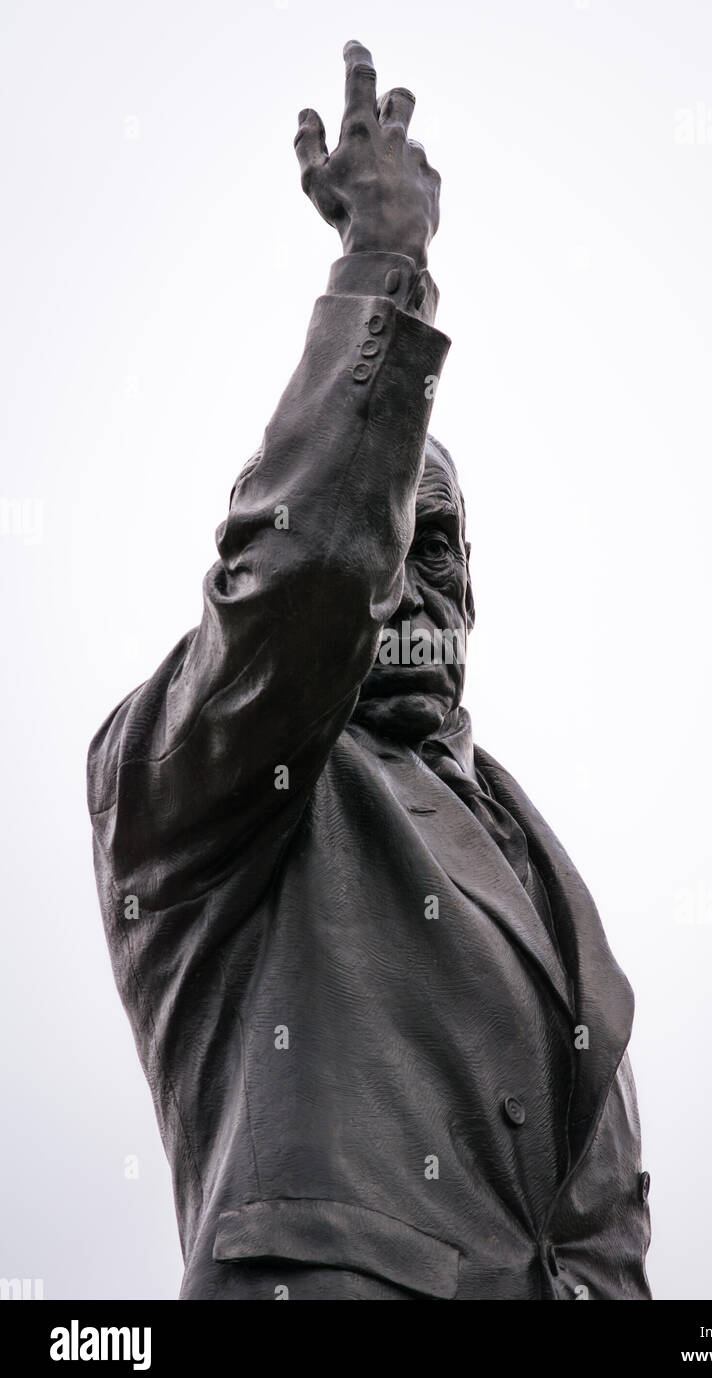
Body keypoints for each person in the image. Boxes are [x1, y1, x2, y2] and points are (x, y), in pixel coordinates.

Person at [87, 40, 652, 1300]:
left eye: (438, 542)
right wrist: (381, 269)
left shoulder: (534, 857)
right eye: (390, 536)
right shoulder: (199, 780)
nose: (410, 573)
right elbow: (309, 580)